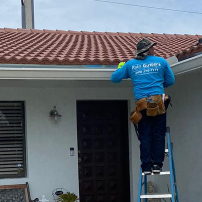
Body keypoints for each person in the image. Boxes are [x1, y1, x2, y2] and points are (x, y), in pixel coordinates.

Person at [111, 38, 175, 175]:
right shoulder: (161, 62)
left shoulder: (131, 65)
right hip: (158, 103)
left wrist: (120, 67)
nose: (154, 49)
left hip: (142, 105)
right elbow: (170, 81)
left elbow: (114, 78)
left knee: (145, 135)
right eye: (152, 47)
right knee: (158, 134)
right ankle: (157, 164)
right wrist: (156, 83)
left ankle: (146, 167)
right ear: (149, 50)